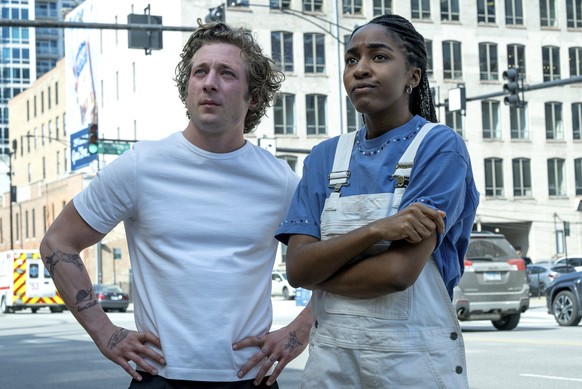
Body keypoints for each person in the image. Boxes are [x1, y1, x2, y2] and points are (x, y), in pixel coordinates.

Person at [39, 20, 312, 389]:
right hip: (159, 376)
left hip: (249, 378)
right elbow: (58, 242)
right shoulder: (141, 166)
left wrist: (298, 331)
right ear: (187, 89)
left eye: (227, 73)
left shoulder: (280, 180)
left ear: (254, 97)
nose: (209, 82)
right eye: (200, 71)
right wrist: (105, 332)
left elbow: (333, 260)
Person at [275, 14, 479, 388]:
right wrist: (376, 231)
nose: (361, 69)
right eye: (352, 59)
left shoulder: (440, 148)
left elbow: (396, 273)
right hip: (330, 370)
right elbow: (298, 271)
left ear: (413, 76)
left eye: (379, 57)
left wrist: (321, 269)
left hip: (414, 368)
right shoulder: (323, 157)